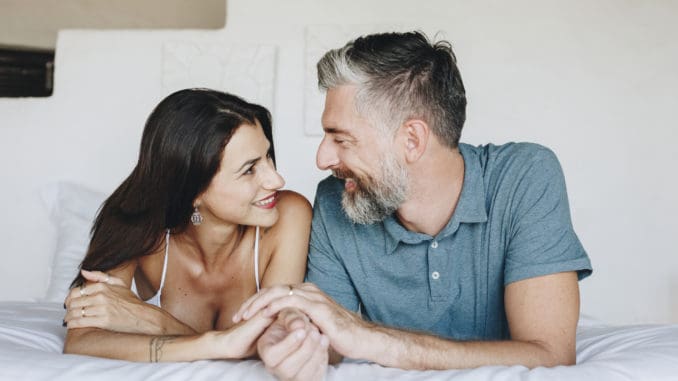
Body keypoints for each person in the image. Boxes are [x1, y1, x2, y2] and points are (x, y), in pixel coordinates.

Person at [234, 31, 593, 371]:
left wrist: (374, 340)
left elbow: (551, 354)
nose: (323, 159)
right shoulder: (336, 201)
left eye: (341, 140)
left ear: (412, 140)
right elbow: (329, 341)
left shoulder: (524, 177)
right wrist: (295, 338)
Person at [63, 89, 328, 378]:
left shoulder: (289, 214)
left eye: (267, 157)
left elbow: (275, 338)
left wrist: (155, 322)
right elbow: (82, 340)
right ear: (193, 189)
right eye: (250, 169)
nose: (276, 179)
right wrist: (218, 344)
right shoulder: (131, 221)